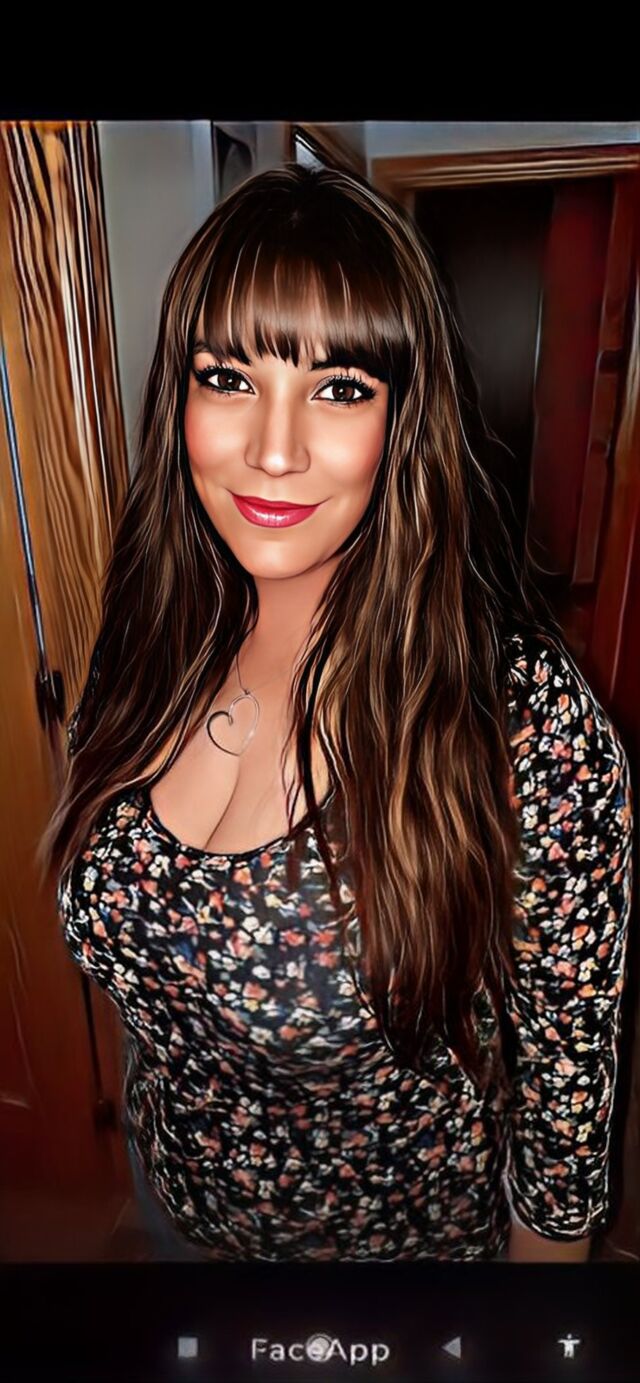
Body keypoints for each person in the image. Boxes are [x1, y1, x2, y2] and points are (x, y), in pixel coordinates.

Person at [40, 162, 634, 1263]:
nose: (275, 449)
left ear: (405, 419)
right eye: (229, 377)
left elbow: (563, 1135)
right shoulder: (147, 642)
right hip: (173, 1211)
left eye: (340, 388)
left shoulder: (523, 723)